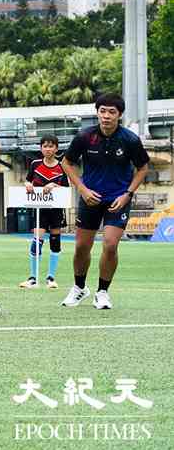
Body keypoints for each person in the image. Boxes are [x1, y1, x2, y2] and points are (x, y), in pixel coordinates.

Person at [59, 94, 149, 310]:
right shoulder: (84, 136)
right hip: (90, 198)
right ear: (97, 112)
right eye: (103, 111)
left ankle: (102, 292)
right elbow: (66, 162)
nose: (106, 116)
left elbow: (143, 168)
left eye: (112, 112)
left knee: (110, 244)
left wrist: (127, 193)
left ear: (119, 115)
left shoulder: (130, 140)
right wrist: (82, 189)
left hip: (118, 199)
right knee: (81, 247)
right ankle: (79, 288)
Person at [19, 135, 69, 290]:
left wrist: (54, 185)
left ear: (56, 148)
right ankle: (33, 278)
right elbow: (28, 180)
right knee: (36, 242)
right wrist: (27, 184)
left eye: (51, 146)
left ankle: (51, 278)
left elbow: (66, 189)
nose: (48, 149)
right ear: (41, 148)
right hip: (40, 210)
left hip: (56, 210)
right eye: (45, 146)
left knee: (55, 241)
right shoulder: (35, 164)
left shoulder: (62, 167)